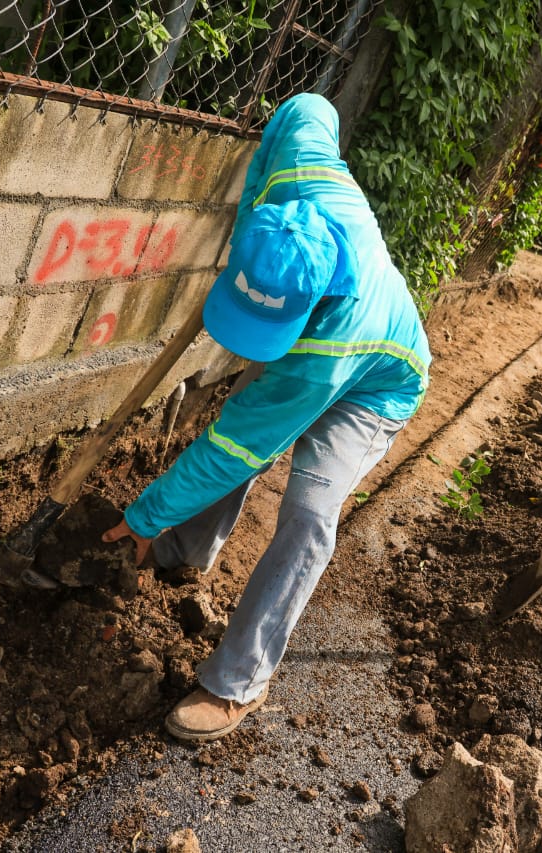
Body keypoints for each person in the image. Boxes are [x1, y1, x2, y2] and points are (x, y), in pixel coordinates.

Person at [98, 93, 431, 743]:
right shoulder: (300, 171)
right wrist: (255, 197)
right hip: (305, 318)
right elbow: (311, 106)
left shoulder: (326, 346)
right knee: (242, 425)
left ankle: (239, 680)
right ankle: (182, 549)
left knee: (308, 512)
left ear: (304, 309)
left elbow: (235, 449)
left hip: (379, 383)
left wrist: (143, 511)